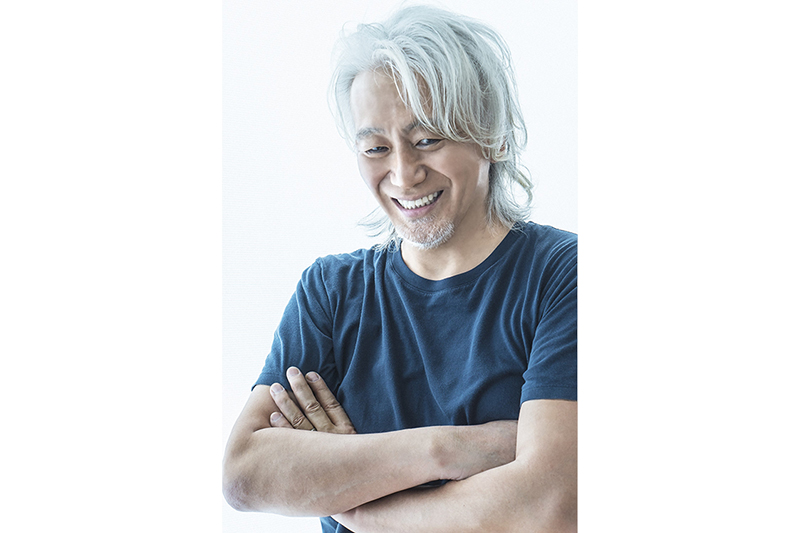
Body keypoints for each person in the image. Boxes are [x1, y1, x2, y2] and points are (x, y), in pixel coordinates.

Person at [223, 5, 577, 532]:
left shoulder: (564, 275)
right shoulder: (330, 292)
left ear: (494, 135)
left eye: (428, 139)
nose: (404, 174)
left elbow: (548, 507)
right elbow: (245, 475)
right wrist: (451, 449)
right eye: (376, 147)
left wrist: (351, 502)